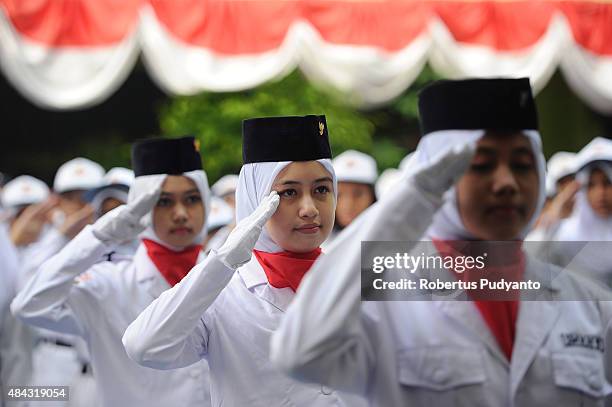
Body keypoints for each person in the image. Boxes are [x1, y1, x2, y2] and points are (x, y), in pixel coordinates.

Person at [270, 79, 612, 406]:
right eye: (481, 165)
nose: (507, 182)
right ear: (438, 176)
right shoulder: (385, 296)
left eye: (523, 164)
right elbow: (299, 352)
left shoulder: (587, 303)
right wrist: (415, 198)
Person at [123, 115, 366, 406]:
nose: (309, 208)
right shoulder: (224, 292)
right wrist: (222, 260)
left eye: (321, 190)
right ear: (255, 200)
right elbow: (144, 346)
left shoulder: (356, 272)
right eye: (288, 192)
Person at [11, 137, 211, 407]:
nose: (180, 214)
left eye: (192, 199)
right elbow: (28, 305)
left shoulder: (230, 278)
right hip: (63, 380)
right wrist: (98, 236)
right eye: (163, 201)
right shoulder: (108, 284)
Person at [549, 137, 612, 287]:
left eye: (607, 182)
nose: (600, 193)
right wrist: (555, 214)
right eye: (591, 185)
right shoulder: (566, 237)